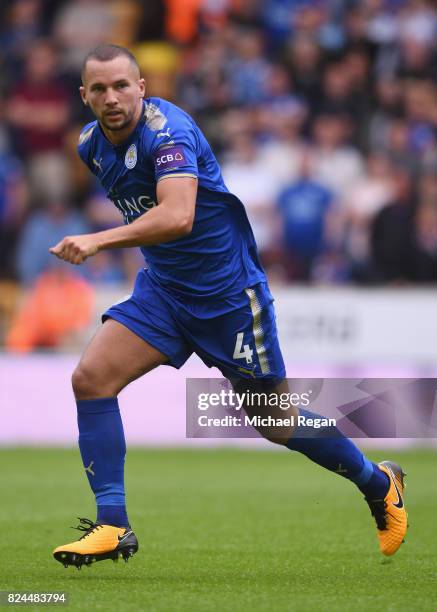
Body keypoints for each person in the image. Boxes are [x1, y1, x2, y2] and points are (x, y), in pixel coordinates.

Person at [50, 44, 407, 569]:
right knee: (91, 379)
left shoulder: (167, 132)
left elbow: (178, 217)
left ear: (142, 86)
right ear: (84, 96)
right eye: (99, 89)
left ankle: (379, 484)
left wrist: (100, 241)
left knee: (274, 421)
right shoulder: (89, 145)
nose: (111, 97)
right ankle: (113, 525)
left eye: (122, 85)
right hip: (166, 293)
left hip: (228, 298)